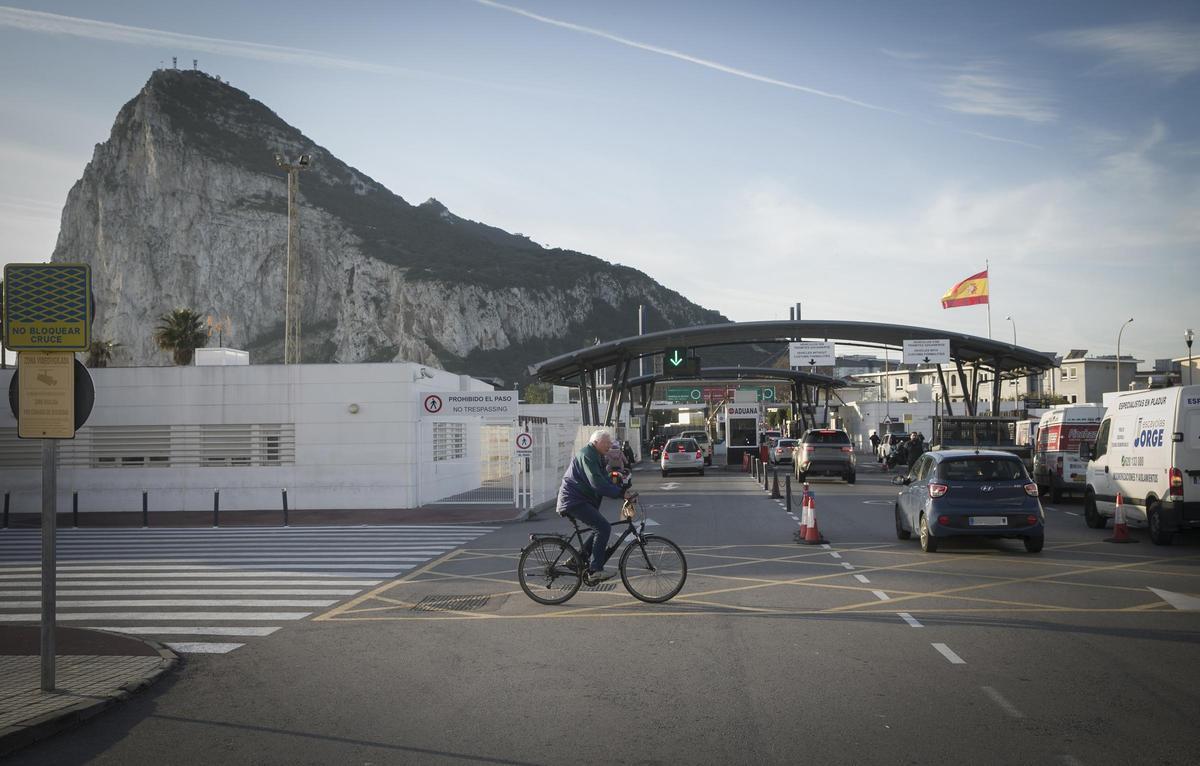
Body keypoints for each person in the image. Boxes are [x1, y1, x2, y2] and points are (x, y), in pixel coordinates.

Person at [557, 429, 636, 583]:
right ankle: (595, 570)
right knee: (603, 527)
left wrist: (620, 487)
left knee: (599, 528)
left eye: (610, 443)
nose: (610, 445)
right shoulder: (587, 455)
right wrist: (620, 494)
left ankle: (576, 559)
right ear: (596, 442)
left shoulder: (596, 455)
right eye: (607, 443)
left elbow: (603, 478)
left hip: (579, 499)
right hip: (573, 500)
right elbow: (596, 482)